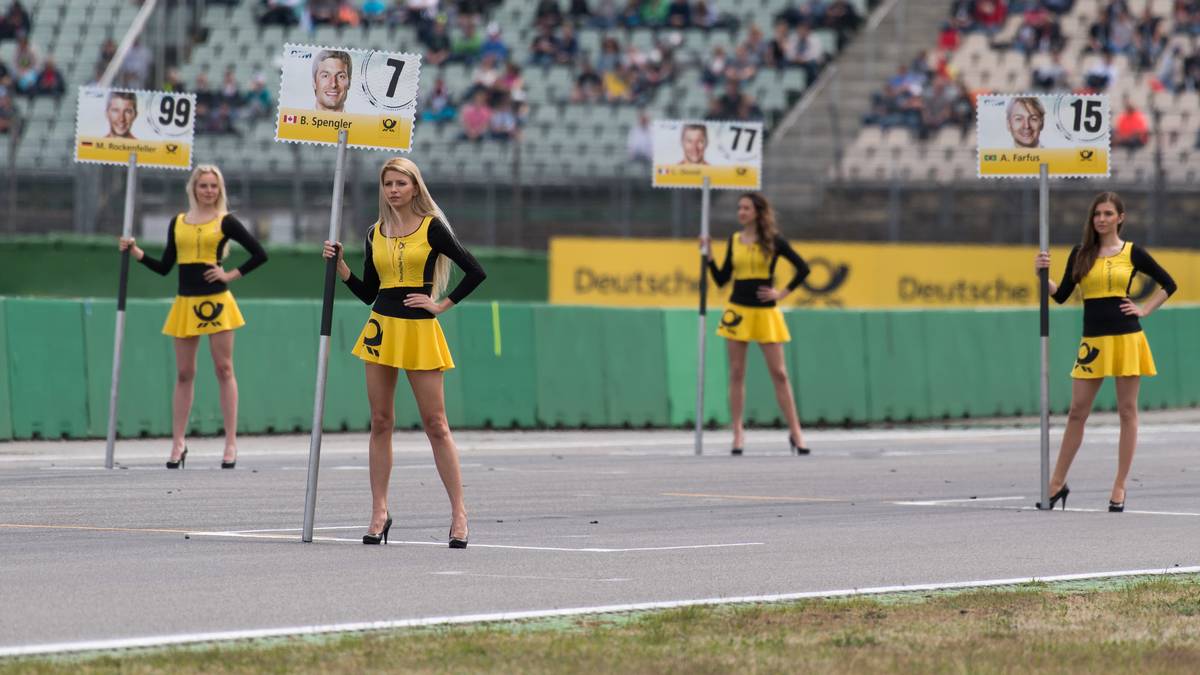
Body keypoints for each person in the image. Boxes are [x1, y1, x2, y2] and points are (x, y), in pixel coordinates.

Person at [322, 157, 485, 547]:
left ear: (415, 187)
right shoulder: (374, 233)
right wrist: (342, 267)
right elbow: (368, 293)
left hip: (419, 330)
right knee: (380, 420)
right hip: (381, 327)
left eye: (401, 183)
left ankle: (459, 513)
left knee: (436, 424)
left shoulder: (432, 228)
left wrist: (441, 305)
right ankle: (379, 511)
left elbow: (475, 271)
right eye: (388, 184)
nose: (394, 190)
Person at [1034, 192, 1176, 513]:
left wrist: (1144, 309)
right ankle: (1057, 483)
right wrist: (1044, 277)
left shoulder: (1132, 252)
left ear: (1120, 218)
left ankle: (1120, 486)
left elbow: (1169, 284)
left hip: (1127, 338)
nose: (1101, 219)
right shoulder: (1081, 253)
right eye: (1097, 213)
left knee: (1127, 412)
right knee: (1076, 412)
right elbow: (1061, 295)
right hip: (1093, 342)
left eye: (1108, 213)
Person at [118, 165, 268, 469]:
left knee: (224, 369)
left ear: (220, 190)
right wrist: (135, 252)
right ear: (194, 188)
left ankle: (230, 444)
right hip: (186, 302)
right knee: (184, 373)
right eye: (204, 186)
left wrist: (229, 274)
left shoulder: (225, 221)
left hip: (217, 302)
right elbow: (164, 267)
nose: (209, 191)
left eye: (214, 186)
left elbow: (259, 253)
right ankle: (178, 444)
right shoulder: (178, 222)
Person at [702, 193, 811, 457]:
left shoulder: (773, 241)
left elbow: (803, 268)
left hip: (765, 313)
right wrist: (708, 256)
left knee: (780, 374)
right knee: (737, 372)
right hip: (738, 311)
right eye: (739, 207)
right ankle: (738, 432)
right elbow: (720, 278)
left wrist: (781, 293)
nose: (741, 212)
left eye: (746, 208)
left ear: (758, 212)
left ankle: (796, 432)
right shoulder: (734, 241)